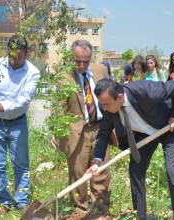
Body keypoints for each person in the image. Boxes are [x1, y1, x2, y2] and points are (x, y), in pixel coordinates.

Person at [86, 79, 174, 220]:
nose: (103, 108)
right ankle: (140, 216)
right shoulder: (105, 107)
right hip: (143, 134)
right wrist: (97, 162)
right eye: (101, 103)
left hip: (169, 128)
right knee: (136, 171)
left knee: (173, 172)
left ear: (120, 97)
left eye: (106, 104)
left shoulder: (145, 90)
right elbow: (104, 133)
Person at [0, 35, 40, 215]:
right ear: (7, 52)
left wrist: (3, 106)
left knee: (21, 163)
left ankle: (22, 201)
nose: (15, 60)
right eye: (11, 56)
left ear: (27, 53)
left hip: (18, 123)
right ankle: (2, 202)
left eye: (19, 56)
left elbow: (25, 98)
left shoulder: (33, 72)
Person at [50, 40, 115, 215]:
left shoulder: (101, 70)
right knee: (78, 173)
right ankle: (79, 211)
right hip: (77, 131)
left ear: (90, 58)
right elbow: (58, 106)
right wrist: (55, 130)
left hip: (101, 129)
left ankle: (101, 211)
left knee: (101, 171)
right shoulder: (63, 76)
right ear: (71, 57)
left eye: (85, 61)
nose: (81, 65)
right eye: (77, 61)